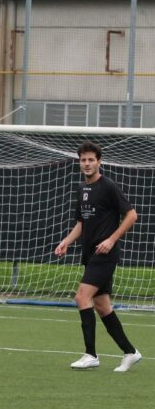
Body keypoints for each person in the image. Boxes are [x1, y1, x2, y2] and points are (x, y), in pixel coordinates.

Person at [55, 141, 141, 372]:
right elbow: (81, 223)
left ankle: (91, 354)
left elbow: (132, 215)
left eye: (91, 159)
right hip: (90, 254)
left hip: (106, 254)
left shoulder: (108, 186)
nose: (87, 163)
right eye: (83, 160)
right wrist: (66, 241)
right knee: (102, 306)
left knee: (82, 297)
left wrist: (112, 239)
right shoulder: (81, 189)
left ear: (99, 161)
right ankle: (130, 352)